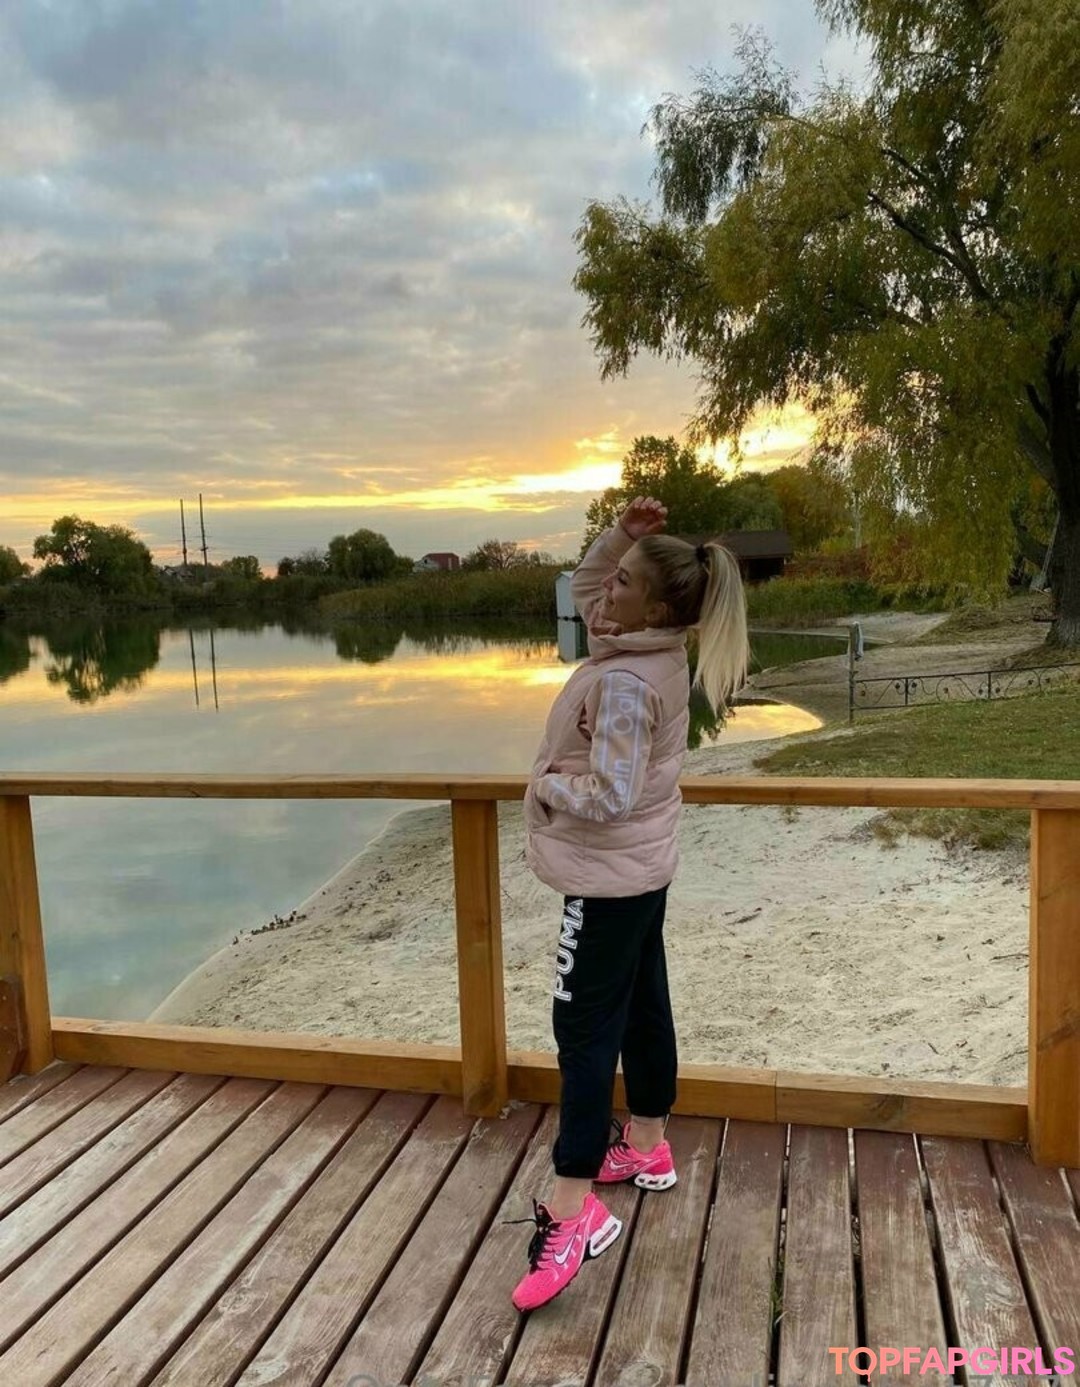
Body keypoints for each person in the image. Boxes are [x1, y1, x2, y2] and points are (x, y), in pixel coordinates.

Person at [511, 495, 750, 1313]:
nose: (603, 587)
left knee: (581, 1030)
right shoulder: (651, 649)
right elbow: (588, 587)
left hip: (607, 875)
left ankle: (572, 1206)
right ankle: (646, 1142)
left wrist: (547, 785)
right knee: (645, 1001)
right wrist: (622, 538)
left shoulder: (621, 682)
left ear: (651, 607)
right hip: (643, 868)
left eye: (622, 581)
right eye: (613, 576)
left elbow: (609, 795)